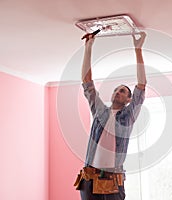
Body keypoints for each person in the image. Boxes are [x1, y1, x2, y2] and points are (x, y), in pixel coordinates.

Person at [74, 31, 147, 200]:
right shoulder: (100, 111)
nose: (118, 92)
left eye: (122, 91)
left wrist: (138, 50)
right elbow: (87, 83)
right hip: (89, 177)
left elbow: (141, 86)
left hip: (114, 180)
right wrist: (88, 47)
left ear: (129, 99)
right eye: (116, 90)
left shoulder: (128, 115)